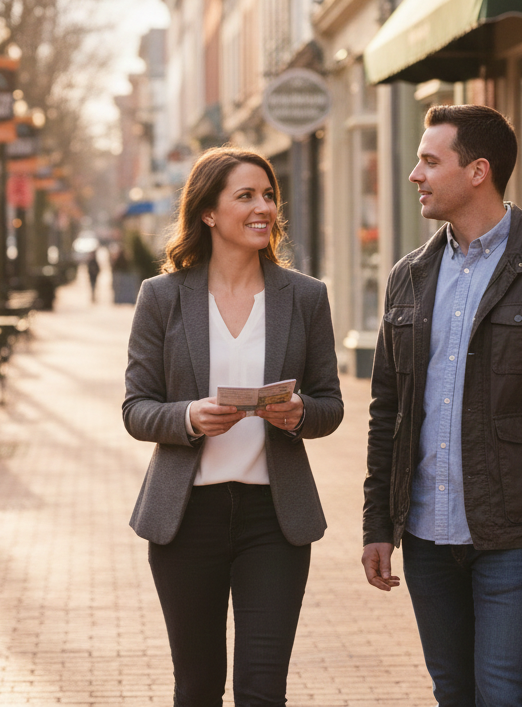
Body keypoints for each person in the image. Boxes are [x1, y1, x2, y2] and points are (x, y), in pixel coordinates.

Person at [362, 104, 522, 707]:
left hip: (518, 537)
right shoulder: (409, 276)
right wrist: (379, 523)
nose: (415, 174)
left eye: (430, 160)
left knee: (504, 694)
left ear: (478, 171)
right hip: (425, 535)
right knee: (452, 692)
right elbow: (388, 409)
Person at [124, 146, 344, 706]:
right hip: (186, 516)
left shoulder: (306, 297)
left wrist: (298, 414)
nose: (263, 207)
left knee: (262, 687)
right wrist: (190, 416)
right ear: (208, 212)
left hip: (274, 517)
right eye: (245, 196)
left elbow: (331, 405)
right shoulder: (162, 297)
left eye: (268, 195)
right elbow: (136, 408)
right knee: (197, 687)